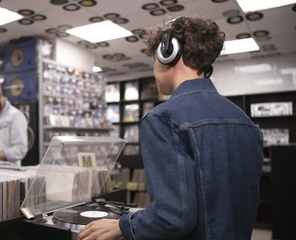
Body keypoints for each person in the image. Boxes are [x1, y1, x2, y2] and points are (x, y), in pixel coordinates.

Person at [78, 16, 264, 240]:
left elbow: (172, 217)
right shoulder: (245, 122)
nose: (154, 69)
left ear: (169, 54)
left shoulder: (163, 119)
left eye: (154, 60)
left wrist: (122, 226)